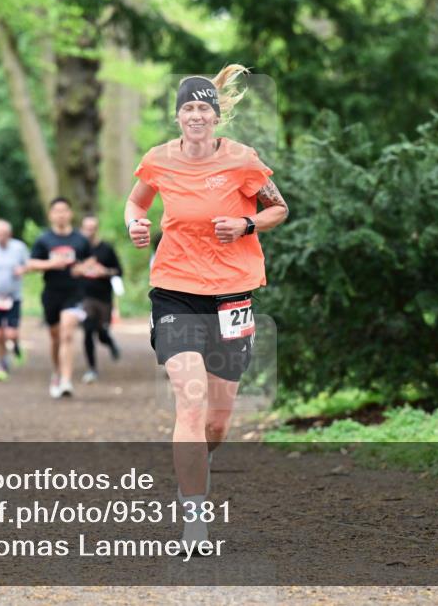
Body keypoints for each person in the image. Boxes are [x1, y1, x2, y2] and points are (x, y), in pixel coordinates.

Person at [124, 65, 289, 547]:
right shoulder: (158, 160)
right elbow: (136, 203)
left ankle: (198, 458)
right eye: (188, 108)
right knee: (190, 398)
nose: (195, 115)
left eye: (203, 108)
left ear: (215, 116)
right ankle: (194, 517)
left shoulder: (243, 161)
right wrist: (136, 224)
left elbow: (278, 208)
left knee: (216, 421)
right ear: (178, 116)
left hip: (233, 295)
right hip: (174, 290)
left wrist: (246, 224)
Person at [27, 197, 91, 399]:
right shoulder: (44, 240)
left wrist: (82, 269)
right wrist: (51, 264)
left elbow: (90, 262)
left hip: (74, 293)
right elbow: (31, 264)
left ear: (70, 213)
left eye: (64, 210)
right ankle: (57, 371)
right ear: (51, 215)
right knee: (55, 338)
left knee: (67, 334)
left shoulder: (80, 240)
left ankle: (66, 381)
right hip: (51, 293)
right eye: (57, 211)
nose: (61, 214)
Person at [78, 215, 122, 384]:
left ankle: (110, 343)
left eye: (92, 228)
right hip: (85, 297)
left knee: (101, 333)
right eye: (86, 228)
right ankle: (91, 368)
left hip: (103, 297)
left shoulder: (106, 249)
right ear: (82, 228)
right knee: (88, 329)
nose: (89, 231)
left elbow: (118, 271)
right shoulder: (79, 249)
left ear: (96, 229)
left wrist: (105, 272)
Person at [0, 218, 30, 381]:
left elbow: (29, 264)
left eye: (3, 234)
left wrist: (23, 269)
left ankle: (16, 346)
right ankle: (1, 363)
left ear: (9, 234)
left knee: (11, 334)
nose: (0, 237)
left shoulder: (19, 248)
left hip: (13, 297)